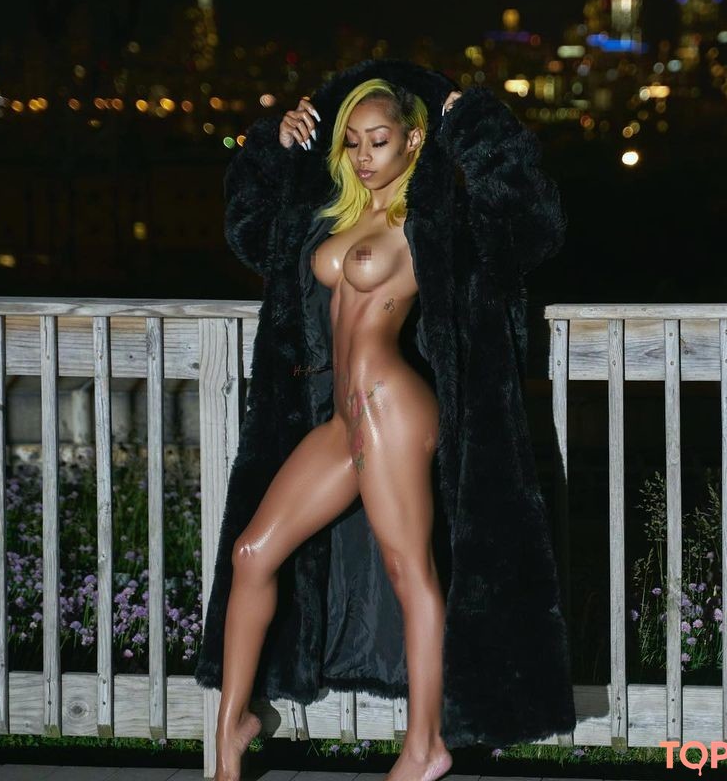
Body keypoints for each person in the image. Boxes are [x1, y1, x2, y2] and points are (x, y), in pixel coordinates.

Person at [195, 59, 575, 781]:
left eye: (380, 140)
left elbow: (531, 225)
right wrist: (275, 146)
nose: (365, 156)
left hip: (392, 408)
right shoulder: (338, 214)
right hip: (344, 418)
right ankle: (231, 731)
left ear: (413, 139)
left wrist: (476, 126)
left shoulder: (432, 220)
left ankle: (425, 745)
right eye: (353, 142)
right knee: (251, 554)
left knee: (411, 573)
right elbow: (250, 236)